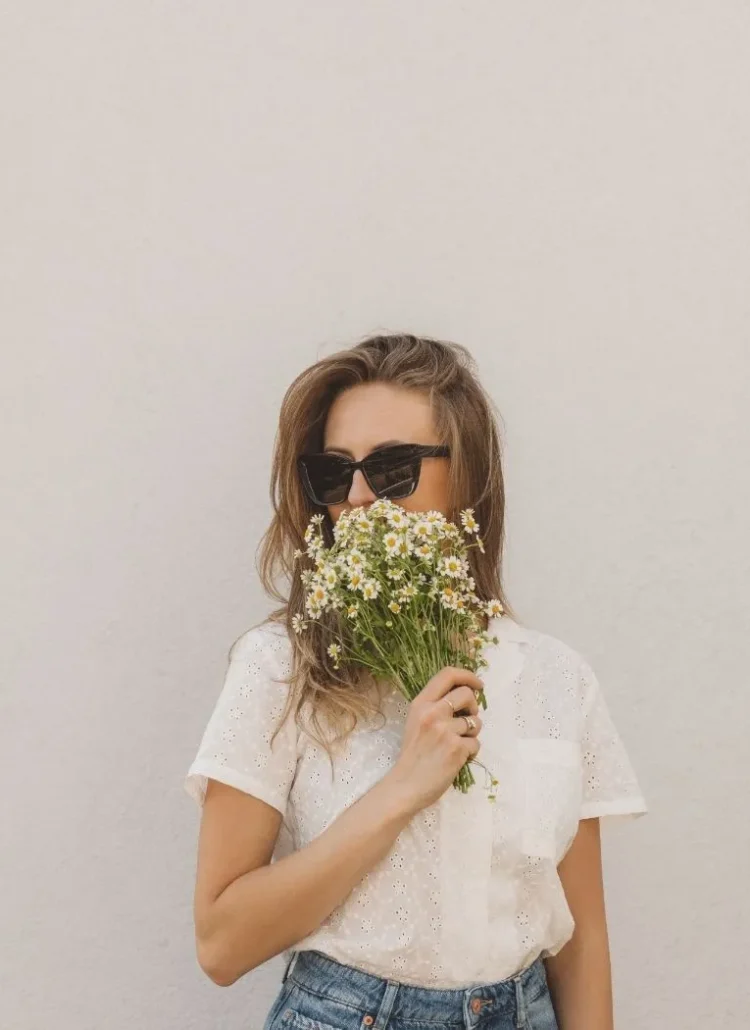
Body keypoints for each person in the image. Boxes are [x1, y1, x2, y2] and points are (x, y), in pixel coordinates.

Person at [184, 333, 647, 1030]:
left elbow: (580, 942)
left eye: (393, 467)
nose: (359, 497)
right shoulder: (280, 667)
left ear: (469, 476)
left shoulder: (556, 678)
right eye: (334, 473)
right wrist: (402, 788)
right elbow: (221, 944)